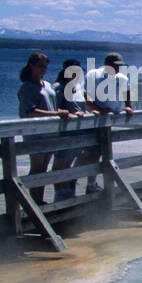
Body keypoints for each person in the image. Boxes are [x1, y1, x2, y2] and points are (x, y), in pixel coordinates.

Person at [17, 53, 71, 204]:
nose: (43, 69)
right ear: (31, 66)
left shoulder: (46, 85)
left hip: (50, 133)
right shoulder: (27, 87)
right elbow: (30, 111)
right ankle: (34, 202)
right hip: (35, 134)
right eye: (40, 66)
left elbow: (51, 105)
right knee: (37, 168)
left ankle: (39, 200)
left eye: (45, 67)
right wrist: (56, 113)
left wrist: (61, 112)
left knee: (44, 169)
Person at [54, 59, 102, 197]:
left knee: (67, 164)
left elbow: (76, 107)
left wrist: (88, 113)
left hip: (76, 133)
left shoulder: (75, 88)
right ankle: (60, 194)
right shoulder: (59, 87)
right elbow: (56, 107)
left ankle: (67, 192)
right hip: (64, 133)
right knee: (60, 165)